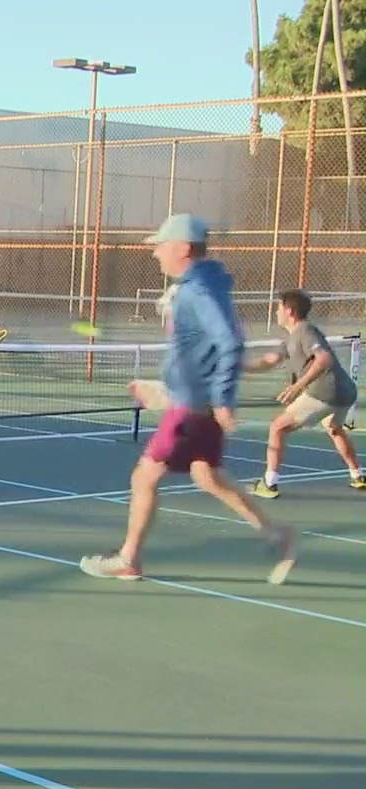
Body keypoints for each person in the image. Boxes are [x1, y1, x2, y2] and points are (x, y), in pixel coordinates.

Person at [79, 213, 296, 584]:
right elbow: (204, 352)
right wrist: (164, 388)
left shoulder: (198, 291)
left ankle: (128, 559)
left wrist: (222, 399)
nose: (156, 254)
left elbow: (229, 342)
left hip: (194, 409)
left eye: (162, 245)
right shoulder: (200, 286)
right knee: (207, 475)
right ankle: (276, 534)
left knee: (144, 477)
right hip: (194, 404)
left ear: (183, 247)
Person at [246, 289, 365, 497]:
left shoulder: (305, 331)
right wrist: (238, 367)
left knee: (277, 427)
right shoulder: (293, 337)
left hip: (326, 391)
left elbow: (324, 358)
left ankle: (269, 483)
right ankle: (357, 475)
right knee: (333, 427)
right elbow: (271, 359)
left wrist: (297, 386)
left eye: (279, 308)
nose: (276, 313)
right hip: (346, 392)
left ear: (289, 311)